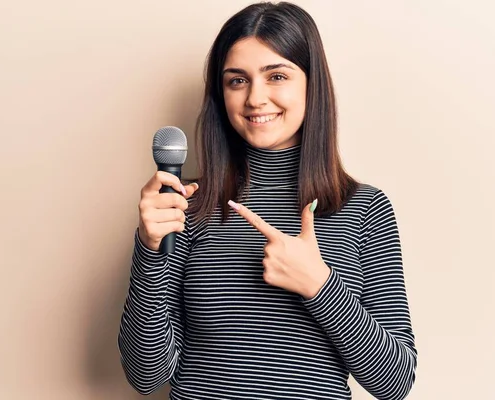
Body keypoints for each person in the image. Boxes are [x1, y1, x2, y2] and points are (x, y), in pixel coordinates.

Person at [118, 2, 417, 399]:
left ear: (312, 84)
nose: (256, 99)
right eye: (237, 81)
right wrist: (150, 250)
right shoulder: (185, 204)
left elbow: (395, 383)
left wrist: (318, 284)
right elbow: (146, 374)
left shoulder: (363, 207)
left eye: (277, 76)